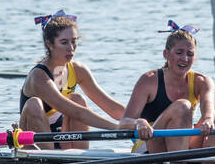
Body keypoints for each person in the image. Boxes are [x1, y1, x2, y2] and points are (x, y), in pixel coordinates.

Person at [19, 10, 152, 150]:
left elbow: (112, 107)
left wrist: (143, 122)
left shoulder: (78, 70)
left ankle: (79, 157)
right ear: (49, 44)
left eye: (74, 42)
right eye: (64, 43)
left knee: (77, 99)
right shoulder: (38, 77)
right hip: (33, 141)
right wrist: (118, 128)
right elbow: (76, 112)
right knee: (34, 104)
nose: (71, 49)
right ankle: (47, 159)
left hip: (64, 138)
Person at [123, 21, 215, 154]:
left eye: (190, 54)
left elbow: (208, 108)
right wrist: (139, 123)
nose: (185, 59)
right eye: (179, 53)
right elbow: (123, 122)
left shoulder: (202, 81)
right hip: (150, 144)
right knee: (182, 106)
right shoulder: (149, 80)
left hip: (183, 143)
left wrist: (208, 119)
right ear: (166, 54)